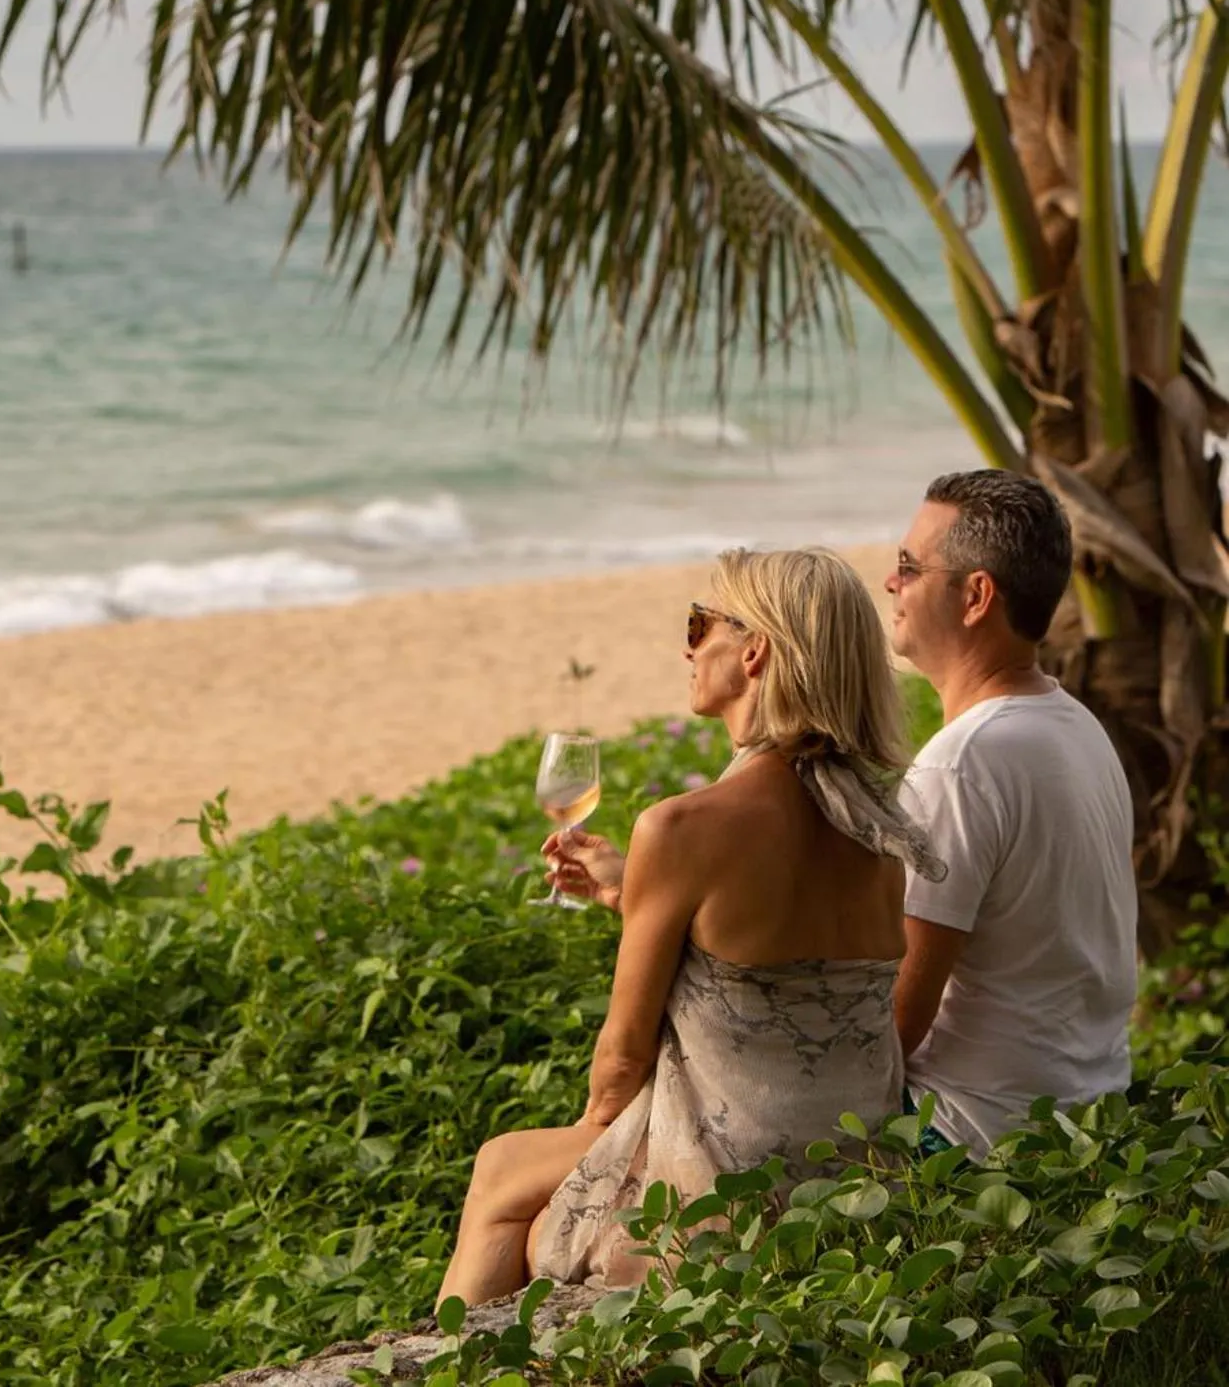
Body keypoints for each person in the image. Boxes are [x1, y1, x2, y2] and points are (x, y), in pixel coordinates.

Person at [437, 548, 943, 1305]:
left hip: (727, 1195)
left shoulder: (682, 827)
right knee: (521, 1169)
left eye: (697, 622)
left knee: (502, 1168)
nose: (686, 643)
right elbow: (768, 962)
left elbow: (620, 1060)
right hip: (855, 1184)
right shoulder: (879, 834)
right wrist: (628, 895)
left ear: (753, 650)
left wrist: (595, 1150)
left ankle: (447, 1359)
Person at [886, 470, 1136, 1160]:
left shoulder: (958, 765)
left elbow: (897, 1022)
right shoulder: (1075, 726)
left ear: (974, 596)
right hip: (1085, 1114)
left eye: (907, 566)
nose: (889, 583)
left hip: (969, 1135)